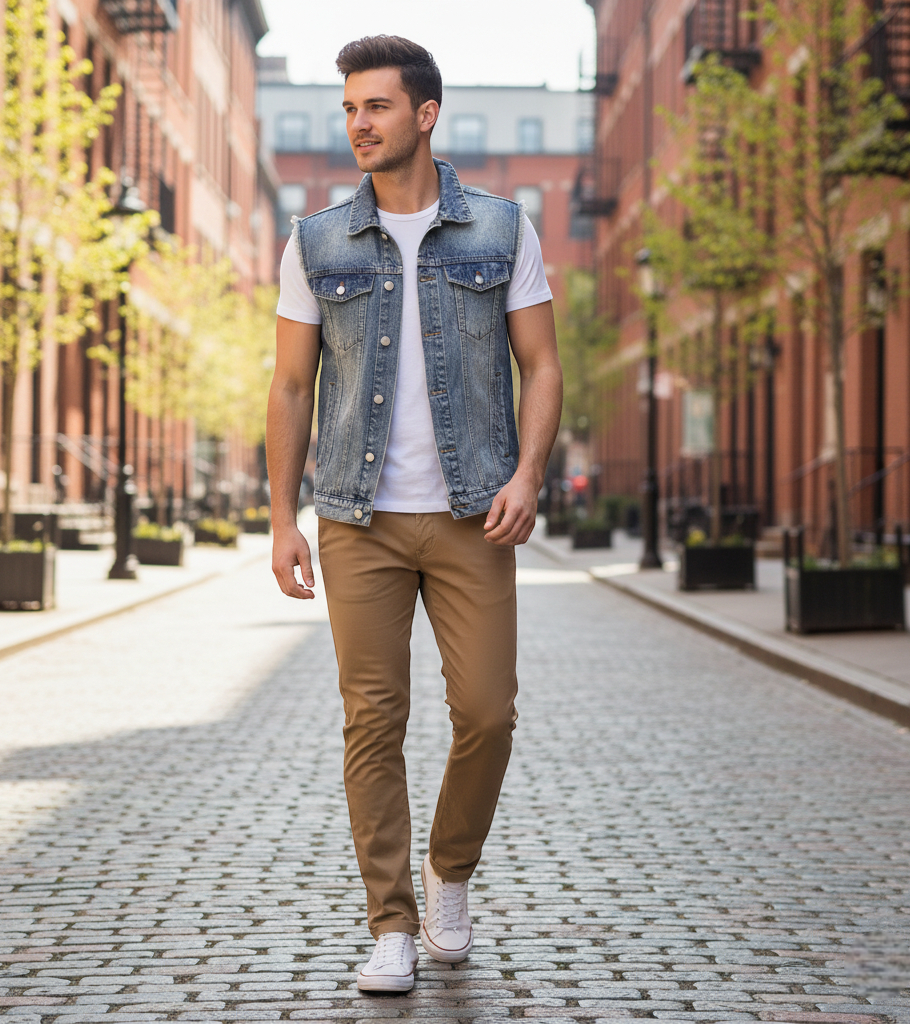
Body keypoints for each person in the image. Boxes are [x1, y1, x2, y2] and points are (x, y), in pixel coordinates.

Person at [266, 34, 563, 994]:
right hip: (357, 518)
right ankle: (389, 923)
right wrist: (282, 518)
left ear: (425, 115)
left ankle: (449, 871)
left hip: (476, 512)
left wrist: (528, 473)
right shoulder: (314, 241)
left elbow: (544, 364)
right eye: (349, 107)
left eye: (376, 107)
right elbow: (286, 385)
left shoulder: (503, 231)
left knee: (487, 712)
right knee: (372, 721)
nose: (358, 123)